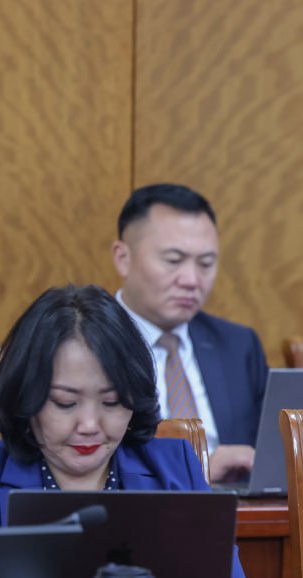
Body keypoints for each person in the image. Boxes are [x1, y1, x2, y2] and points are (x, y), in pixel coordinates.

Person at [0, 284, 252, 578]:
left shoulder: (176, 470)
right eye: (65, 403)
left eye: (111, 402)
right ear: (26, 397)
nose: (89, 425)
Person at [111, 183, 269, 483]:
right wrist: (199, 472)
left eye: (206, 264)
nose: (191, 280)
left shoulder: (238, 345)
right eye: (173, 260)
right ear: (123, 258)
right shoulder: (85, 344)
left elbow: (269, 455)